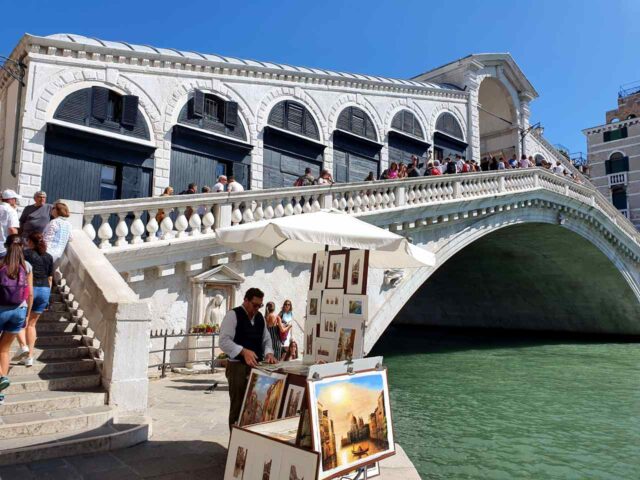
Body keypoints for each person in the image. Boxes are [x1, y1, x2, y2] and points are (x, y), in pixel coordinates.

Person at [219, 288, 276, 427]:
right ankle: (234, 442)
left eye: (259, 306)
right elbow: (224, 341)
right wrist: (243, 351)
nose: (257, 308)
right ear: (246, 300)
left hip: (256, 367)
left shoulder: (260, 318)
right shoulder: (233, 315)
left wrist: (269, 352)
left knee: (255, 407)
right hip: (237, 368)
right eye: (254, 305)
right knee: (238, 407)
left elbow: (266, 340)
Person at [0, 235, 33, 405]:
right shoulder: (26, 266)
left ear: (6, 246)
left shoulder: (0, 263)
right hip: (19, 311)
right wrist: (26, 316)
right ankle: (1, 391)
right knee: (4, 351)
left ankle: (0, 378)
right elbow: (31, 293)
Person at [13, 232, 53, 367]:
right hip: (45, 290)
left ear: (30, 241)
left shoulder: (27, 254)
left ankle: (23, 347)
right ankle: (29, 356)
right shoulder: (48, 257)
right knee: (31, 325)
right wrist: (48, 298)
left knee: (20, 321)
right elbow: (50, 278)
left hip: (31, 288)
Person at [0, 190, 20, 259]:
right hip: (3, 248)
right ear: (11, 199)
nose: (15, 201)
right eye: (15, 199)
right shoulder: (11, 210)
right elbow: (12, 229)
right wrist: (17, 246)